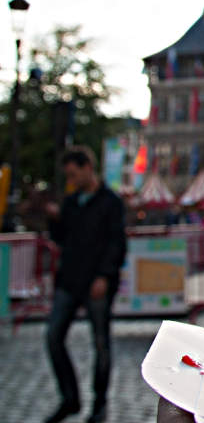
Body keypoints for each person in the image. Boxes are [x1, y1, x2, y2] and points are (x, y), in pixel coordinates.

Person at [44, 146, 127, 423]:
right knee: (53, 337)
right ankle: (70, 398)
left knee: (101, 344)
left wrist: (104, 275)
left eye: (73, 173)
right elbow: (62, 238)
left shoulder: (111, 203)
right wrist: (53, 219)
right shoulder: (71, 202)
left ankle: (99, 404)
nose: (71, 179)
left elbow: (117, 243)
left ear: (87, 168)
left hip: (96, 282)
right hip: (69, 280)